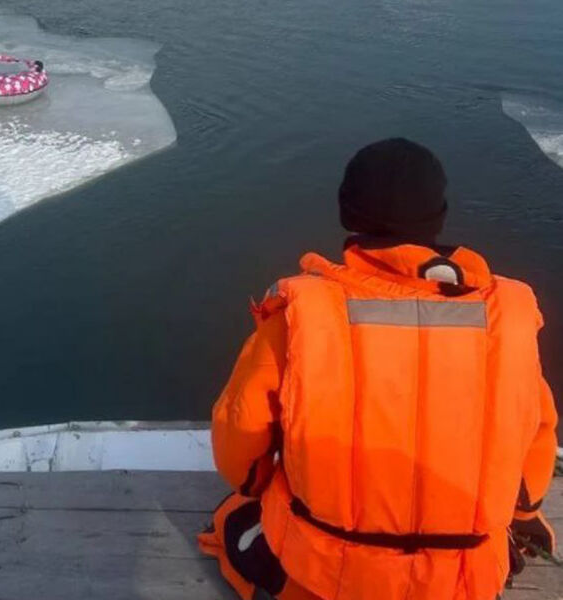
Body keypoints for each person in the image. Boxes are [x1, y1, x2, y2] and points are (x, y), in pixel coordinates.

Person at [198, 138, 558, 600]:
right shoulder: (507, 316)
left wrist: (253, 484)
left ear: (347, 213)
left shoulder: (303, 312)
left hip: (324, 577)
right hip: (463, 580)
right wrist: (524, 513)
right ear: (439, 218)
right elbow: (536, 428)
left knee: (235, 520)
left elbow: (241, 430)